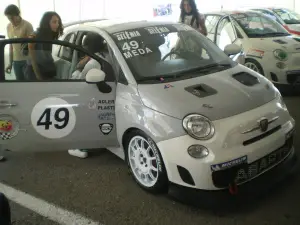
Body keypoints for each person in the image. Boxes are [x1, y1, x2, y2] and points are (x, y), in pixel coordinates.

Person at [68, 33, 103, 159]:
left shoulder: (92, 63)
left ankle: (81, 147)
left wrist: (78, 68)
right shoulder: (106, 56)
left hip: (91, 96)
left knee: (82, 118)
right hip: (104, 94)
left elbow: (80, 80)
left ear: (87, 47)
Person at [25, 11, 63, 81]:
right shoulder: (34, 35)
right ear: (46, 23)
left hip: (46, 69)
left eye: (58, 22)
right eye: (54, 22)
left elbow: (46, 55)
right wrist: (38, 76)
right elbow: (32, 59)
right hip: (35, 71)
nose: (57, 25)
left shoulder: (49, 35)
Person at [4, 4, 34, 81]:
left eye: (12, 18)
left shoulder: (27, 25)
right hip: (16, 61)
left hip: (27, 61)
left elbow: (33, 45)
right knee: (19, 84)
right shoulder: (8, 27)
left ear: (18, 15)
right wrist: (10, 63)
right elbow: (11, 45)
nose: (11, 20)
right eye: (8, 18)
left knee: (29, 84)